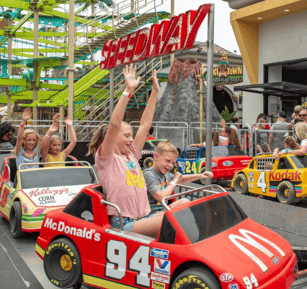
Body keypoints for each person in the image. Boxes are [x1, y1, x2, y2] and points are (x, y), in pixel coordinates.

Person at [87, 65, 161, 237]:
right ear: (113, 139)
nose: (131, 139)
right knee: (168, 220)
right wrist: (128, 90)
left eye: (131, 136)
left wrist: (155, 92)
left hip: (145, 216)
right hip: (125, 222)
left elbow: (145, 125)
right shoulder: (106, 158)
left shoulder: (132, 155)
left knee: (183, 204)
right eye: (127, 135)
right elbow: (114, 125)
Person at [143, 140, 213, 208]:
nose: (170, 165)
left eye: (173, 163)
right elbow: (161, 197)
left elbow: (181, 179)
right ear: (155, 156)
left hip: (163, 209)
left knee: (185, 202)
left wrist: (201, 175)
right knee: (184, 202)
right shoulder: (148, 173)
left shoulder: (165, 174)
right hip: (152, 213)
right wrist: (174, 181)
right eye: (167, 161)